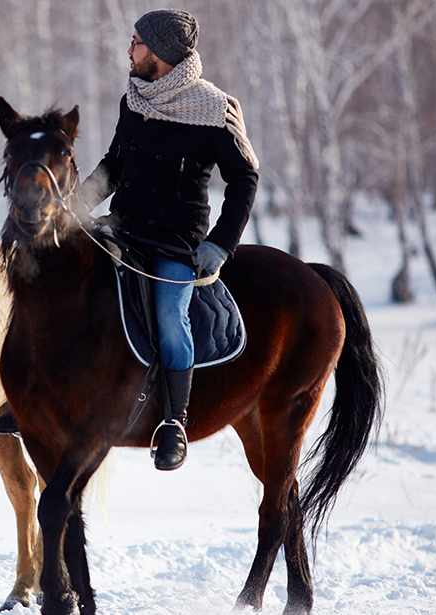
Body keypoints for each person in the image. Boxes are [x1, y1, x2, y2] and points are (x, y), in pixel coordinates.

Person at [82, 9, 259, 470]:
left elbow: (244, 179)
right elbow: (114, 164)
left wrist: (220, 244)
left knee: (169, 317)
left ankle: (173, 423)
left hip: (177, 243)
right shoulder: (135, 98)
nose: (129, 50)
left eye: (136, 42)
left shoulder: (215, 108)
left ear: (159, 52)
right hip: (123, 229)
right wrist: (75, 205)